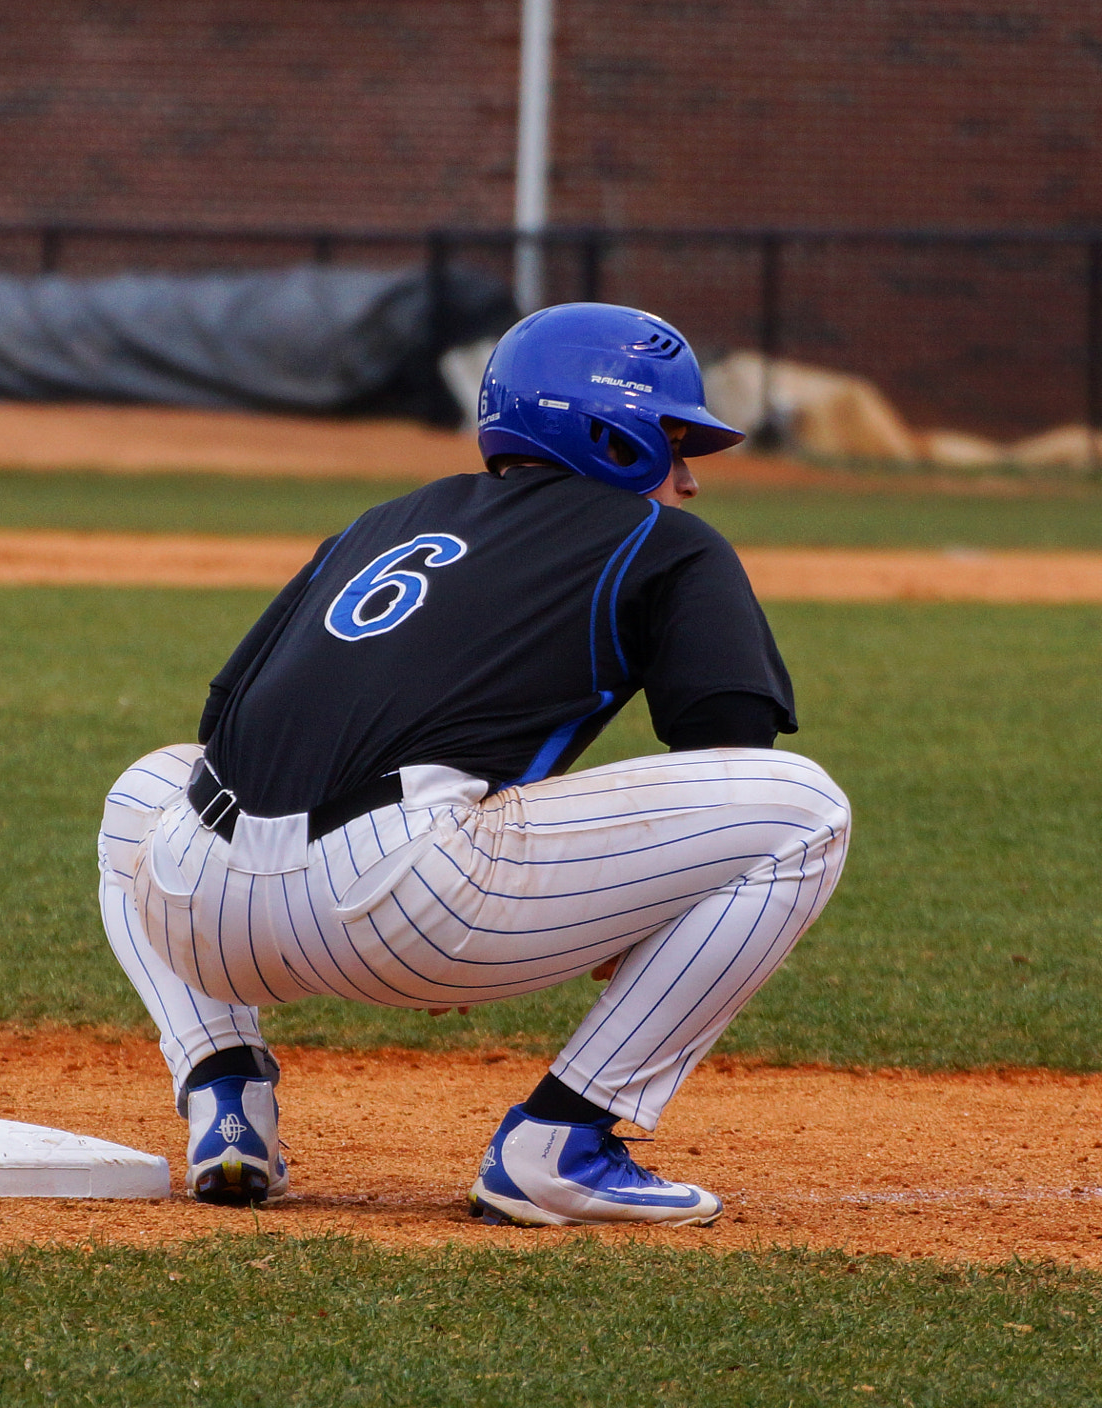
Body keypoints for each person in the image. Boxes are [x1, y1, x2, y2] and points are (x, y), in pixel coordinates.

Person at [95, 302, 851, 1225]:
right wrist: (598, 920)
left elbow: (225, 722)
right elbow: (732, 754)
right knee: (806, 806)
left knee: (150, 782)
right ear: (614, 438)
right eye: (673, 441)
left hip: (196, 905)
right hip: (411, 898)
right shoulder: (665, 542)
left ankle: (226, 1097)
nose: (690, 479)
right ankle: (566, 1138)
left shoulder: (383, 521)